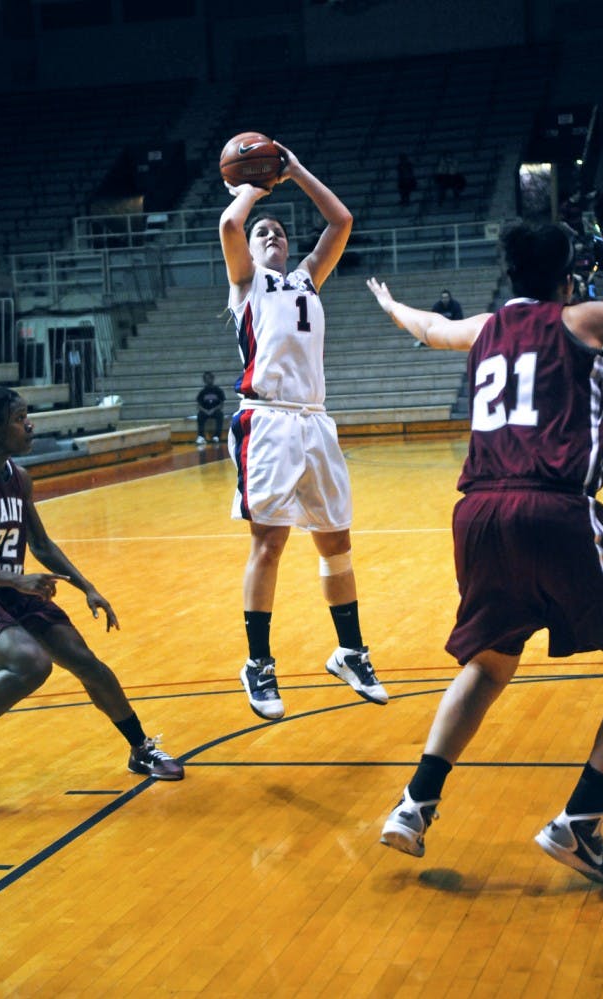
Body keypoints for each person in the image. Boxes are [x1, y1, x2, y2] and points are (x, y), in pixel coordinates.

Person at [366, 221, 603, 884]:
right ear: (567, 280)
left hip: (478, 515)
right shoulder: (583, 319)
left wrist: (392, 306)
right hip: (554, 509)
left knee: (490, 664)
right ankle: (581, 820)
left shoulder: (485, 327)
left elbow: (430, 329)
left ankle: (415, 805)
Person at [219, 140, 388, 720]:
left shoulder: (308, 280)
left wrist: (294, 170)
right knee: (270, 542)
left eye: (279, 232)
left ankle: (350, 651)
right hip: (266, 419)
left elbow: (341, 221)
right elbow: (229, 224)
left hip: (315, 420)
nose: (271, 235)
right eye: (262, 232)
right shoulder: (246, 284)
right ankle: (258, 664)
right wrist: (252, 188)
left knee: (336, 540)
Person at [0, 387, 184, 788]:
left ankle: (141, 748)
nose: (30, 425)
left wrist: (87, 587)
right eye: (20, 419)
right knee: (32, 664)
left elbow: (40, 544)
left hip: (11, 590)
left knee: (84, 661)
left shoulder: (18, 477)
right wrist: (15, 579)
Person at [195, 370, 226, 445]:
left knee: (220, 415)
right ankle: (201, 436)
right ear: (204, 380)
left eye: (209, 378)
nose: (208, 380)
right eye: (206, 379)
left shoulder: (218, 390)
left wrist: (213, 410)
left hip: (215, 411)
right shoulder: (202, 392)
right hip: (205, 411)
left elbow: (221, 404)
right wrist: (205, 411)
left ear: (213, 378)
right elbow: (198, 405)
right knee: (200, 415)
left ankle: (217, 436)